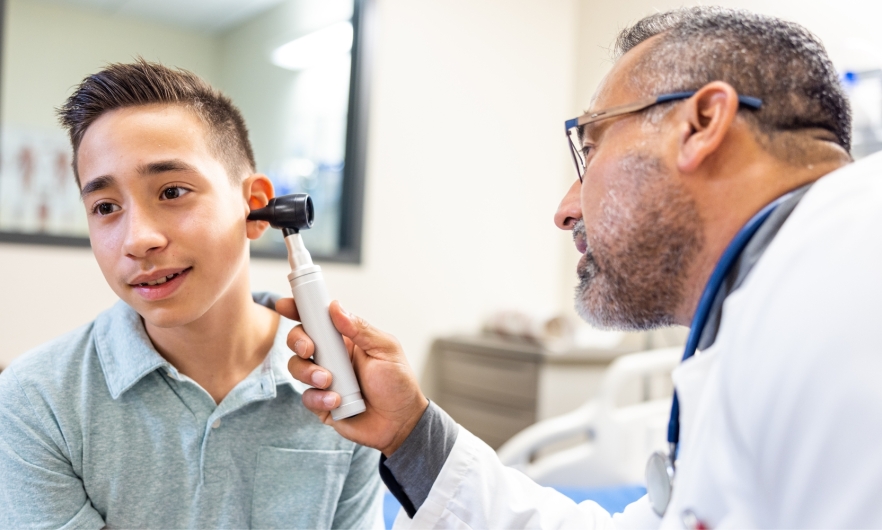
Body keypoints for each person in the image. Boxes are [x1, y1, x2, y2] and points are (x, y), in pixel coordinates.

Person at [282, 6, 882, 528]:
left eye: (590, 148)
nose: (566, 210)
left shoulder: (849, 288)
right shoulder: (778, 302)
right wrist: (410, 433)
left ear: (699, 125)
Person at [0, 60, 383, 528]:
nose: (137, 239)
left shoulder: (338, 384)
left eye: (172, 191)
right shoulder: (36, 400)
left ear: (255, 206)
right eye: (105, 207)